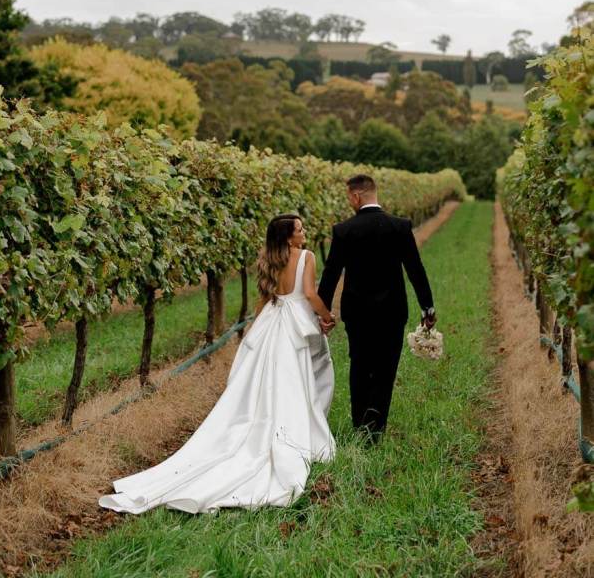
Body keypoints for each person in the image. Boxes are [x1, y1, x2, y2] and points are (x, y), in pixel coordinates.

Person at [99, 213, 335, 515]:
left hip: (273, 323)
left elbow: (264, 301)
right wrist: (327, 317)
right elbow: (311, 294)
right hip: (295, 325)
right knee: (294, 381)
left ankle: (264, 424)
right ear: (289, 238)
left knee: (266, 380)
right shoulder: (307, 257)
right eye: (300, 229)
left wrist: (254, 330)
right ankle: (293, 431)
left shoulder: (269, 259)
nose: (305, 232)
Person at [317, 174, 436, 441]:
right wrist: (427, 308)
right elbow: (416, 270)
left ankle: (360, 424)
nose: (349, 202)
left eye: (349, 197)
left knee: (359, 365)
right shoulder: (400, 227)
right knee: (385, 368)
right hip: (392, 312)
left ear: (356, 196)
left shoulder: (344, 230)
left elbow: (330, 274)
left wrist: (321, 312)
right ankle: (376, 429)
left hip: (357, 313)